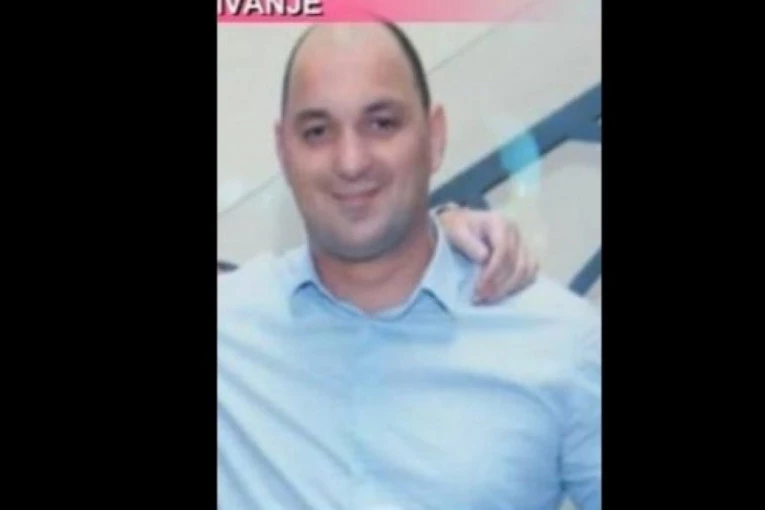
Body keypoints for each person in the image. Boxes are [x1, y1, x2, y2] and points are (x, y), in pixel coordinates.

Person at [218, 21, 600, 510]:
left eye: (381, 123)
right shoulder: (231, 329)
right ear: (283, 151)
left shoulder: (559, 341)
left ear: (434, 136)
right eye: (317, 132)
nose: (351, 161)